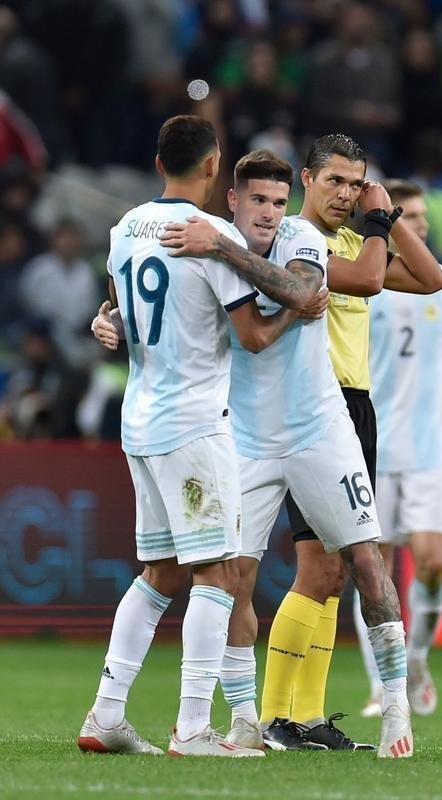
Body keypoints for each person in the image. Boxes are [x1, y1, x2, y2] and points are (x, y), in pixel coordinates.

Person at [159, 135, 442, 757]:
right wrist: (115, 316)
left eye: (355, 184)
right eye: (334, 182)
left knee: (351, 566)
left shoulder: (323, 243)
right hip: (269, 422)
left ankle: (376, 712)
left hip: (332, 415)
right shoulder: (279, 230)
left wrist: (384, 216)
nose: (344, 194)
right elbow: (171, 292)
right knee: (266, 572)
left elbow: (423, 278)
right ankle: (263, 716)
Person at [78, 116, 321, 758]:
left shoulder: (125, 227)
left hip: (141, 419)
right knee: (215, 571)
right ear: (214, 168)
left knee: (160, 572)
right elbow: (252, 336)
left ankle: (106, 714)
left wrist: (110, 322)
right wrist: (301, 307)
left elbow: (120, 303)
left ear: (160, 164)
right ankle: (193, 727)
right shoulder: (210, 234)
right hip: (193, 423)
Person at [353, 179, 442, 717]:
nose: (422, 225)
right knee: (373, 571)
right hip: (375, 447)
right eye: (411, 216)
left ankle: (417, 662)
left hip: (432, 449)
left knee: (433, 563)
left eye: (426, 218)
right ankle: (381, 685)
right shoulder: (368, 282)